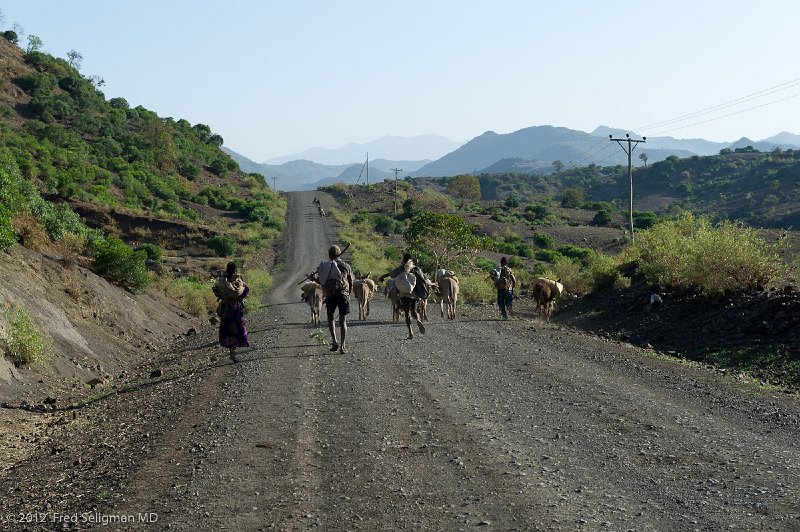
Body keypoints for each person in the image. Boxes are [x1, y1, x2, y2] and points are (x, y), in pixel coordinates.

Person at [379, 253, 427, 339]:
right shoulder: (416, 268)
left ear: (404, 260)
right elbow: (423, 278)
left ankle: (410, 332)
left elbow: (392, 273)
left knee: (407, 313)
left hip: (404, 294)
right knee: (413, 311)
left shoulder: (402, 268)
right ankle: (418, 320)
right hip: (415, 295)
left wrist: (383, 276)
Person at [317, 245, 355, 354]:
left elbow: (322, 282)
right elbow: (351, 282)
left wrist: (313, 279)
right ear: (339, 254)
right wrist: (349, 295)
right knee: (343, 320)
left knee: (330, 318)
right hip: (343, 294)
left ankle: (334, 342)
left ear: (329, 255)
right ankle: (343, 346)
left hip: (331, 295)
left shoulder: (326, 266)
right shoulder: (346, 266)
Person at [213, 261, 250, 362]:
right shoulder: (236, 281)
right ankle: (233, 354)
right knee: (236, 329)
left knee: (228, 329)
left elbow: (218, 291)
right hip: (234, 308)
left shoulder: (222, 280)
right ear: (234, 269)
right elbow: (244, 290)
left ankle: (232, 353)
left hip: (225, 308)